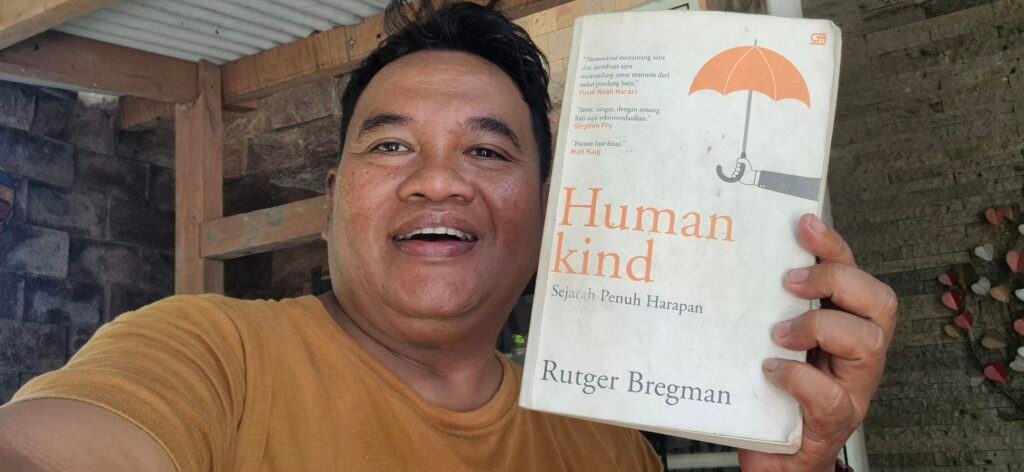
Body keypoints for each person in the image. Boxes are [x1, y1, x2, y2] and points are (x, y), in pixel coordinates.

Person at [0, 1, 897, 471]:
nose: (437, 179)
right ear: (335, 198)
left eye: (487, 149)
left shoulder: (607, 446)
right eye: (391, 145)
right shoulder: (209, 354)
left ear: (547, 209)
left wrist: (798, 465)